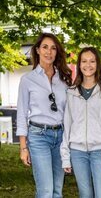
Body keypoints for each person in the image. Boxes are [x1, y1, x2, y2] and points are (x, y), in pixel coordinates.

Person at [16, 33, 72, 198]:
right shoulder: (27, 80)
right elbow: (21, 114)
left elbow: (69, 112)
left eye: (53, 48)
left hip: (61, 137)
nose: (49, 52)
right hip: (38, 137)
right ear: (38, 50)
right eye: (45, 47)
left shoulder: (64, 80)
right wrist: (23, 147)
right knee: (45, 191)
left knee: (57, 190)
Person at [60, 47, 101, 198]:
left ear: (97, 64)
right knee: (85, 194)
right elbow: (67, 125)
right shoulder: (71, 92)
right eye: (84, 61)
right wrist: (66, 157)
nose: (88, 65)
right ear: (79, 65)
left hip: (100, 151)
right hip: (77, 153)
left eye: (92, 61)